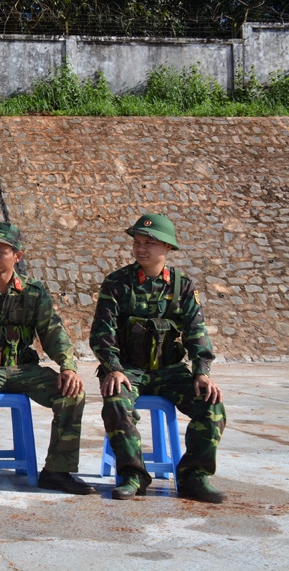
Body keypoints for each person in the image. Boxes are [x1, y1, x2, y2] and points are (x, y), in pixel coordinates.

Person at [0, 222, 94, 496]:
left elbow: (53, 331)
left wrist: (68, 366)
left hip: (25, 370)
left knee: (72, 393)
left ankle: (57, 471)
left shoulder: (34, 291)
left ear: (18, 256)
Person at [91, 213, 226, 503]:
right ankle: (133, 475)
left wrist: (202, 372)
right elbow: (102, 334)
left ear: (168, 249)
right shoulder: (117, 283)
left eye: (150, 243)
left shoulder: (183, 286)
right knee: (116, 402)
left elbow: (196, 333)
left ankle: (193, 477)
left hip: (170, 371)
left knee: (212, 405)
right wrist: (113, 369)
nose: (141, 248)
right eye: (137, 242)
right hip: (127, 370)